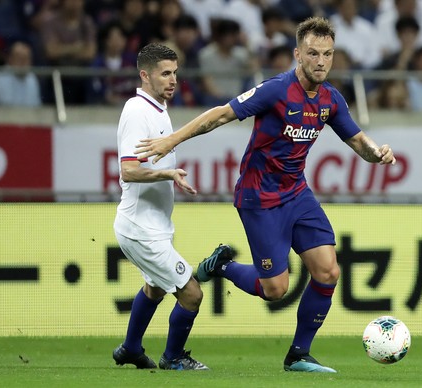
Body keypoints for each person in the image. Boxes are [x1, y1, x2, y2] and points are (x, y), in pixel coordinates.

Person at [135, 17, 396, 373]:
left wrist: (376, 153)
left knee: (328, 271)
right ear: (297, 54)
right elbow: (220, 115)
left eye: (328, 54)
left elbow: (357, 141)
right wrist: (171, 140)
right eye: (313, 53)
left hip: (298, 194)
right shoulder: (276, 90)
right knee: (275, 290)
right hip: (259, 198)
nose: (321, 61)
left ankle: (298, 355)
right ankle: (222, 266)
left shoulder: (330, 99)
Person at [112, 42, 209, 371]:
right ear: (145, 75)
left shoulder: (157, 108)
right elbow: (128, 170)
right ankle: (173, 358)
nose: (173, 80)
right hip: (141, 228)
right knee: (192, 294)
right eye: (165, 73)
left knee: (154, 288)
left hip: (150, 224)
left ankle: (130, 348)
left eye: (175, 73)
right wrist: (167, 172)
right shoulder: (137, 111)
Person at [0, 41, 42, 107]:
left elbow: (36, 105)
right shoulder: (1, 77)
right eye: (20, 58)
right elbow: (6, 106)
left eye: (27, 58)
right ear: (10, 59)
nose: (24, 62)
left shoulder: (32, 77)